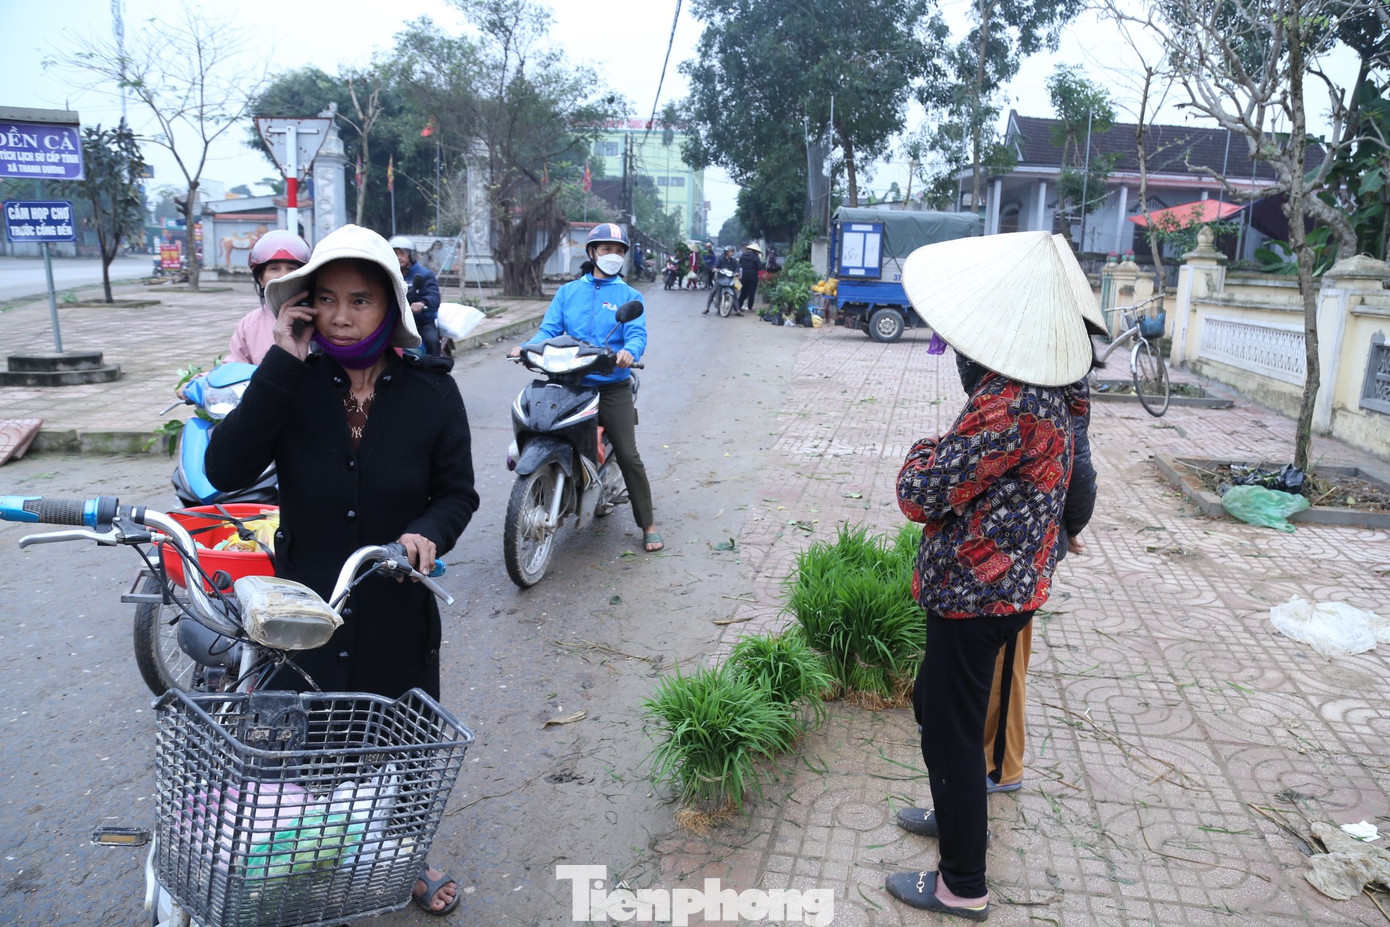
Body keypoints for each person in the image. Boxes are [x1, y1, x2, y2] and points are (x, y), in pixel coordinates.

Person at [205, 224, 479, 917]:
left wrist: (426, 532)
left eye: (360, 299)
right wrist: (281, 359)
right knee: (320, 747)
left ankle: (406, 855)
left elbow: (458, 491)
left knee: (405, 743)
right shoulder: (292, 382)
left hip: (396, 602)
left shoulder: (431, 392)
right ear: (305, 306)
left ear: (390, 305)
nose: (341, 315)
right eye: (325, 299)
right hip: (309, 609)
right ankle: (322, 852)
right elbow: (223, 468)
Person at [886, 231, 1095, 921]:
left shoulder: (1013, 403)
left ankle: (962, 883)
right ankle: (956, 808)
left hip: (980, 593)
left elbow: (920, 490)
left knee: (948, 724)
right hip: (1009, 583)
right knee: (939, 710)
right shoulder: (1057, 389)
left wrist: (926, 449)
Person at [509, 223, 662, 553]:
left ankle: (647, 523)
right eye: (607, 249)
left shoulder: (629, 296)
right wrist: (525, 348)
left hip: (610, 387)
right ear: (592, 252)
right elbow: (548, 330)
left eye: (619, 251)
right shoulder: (568, 292)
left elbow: (637, 334)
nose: (614, 256)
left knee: (628, 454)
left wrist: (628, 352)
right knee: (536, 425)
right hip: (568, 381)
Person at [229, 230, 311, 364]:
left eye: (291, 268)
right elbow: (234, 369)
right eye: (274, 268)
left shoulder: (321, 317)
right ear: (260, 279)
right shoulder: (249, 325)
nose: (283, 275)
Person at [389, 234, 443, 356]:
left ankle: (435, 372)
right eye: (394, 254)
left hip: (421, 322)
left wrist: (422, 303)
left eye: (402, 253)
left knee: (432, 341)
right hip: (398, 322)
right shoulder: (389, 276)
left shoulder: (424, 274)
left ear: (411, 255)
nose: (398, 257)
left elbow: (434, 296)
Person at [703, 246, 739, 315]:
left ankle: (737, 310)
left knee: (734, 293)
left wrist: (737, 273)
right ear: (726, 253)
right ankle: (707, 308)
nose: (731, 253)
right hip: (721, 278)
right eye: (730, 252)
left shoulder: (734, 261)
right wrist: (715, 269)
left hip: (730, 279)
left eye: (732, 252)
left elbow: (736, 268)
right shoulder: (720, 259)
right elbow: (715, 266)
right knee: (713, 292)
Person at [737, 243, 763, 314]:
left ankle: (739, 306)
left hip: (744, 276)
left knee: (743, 292)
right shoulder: (756, 257)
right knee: (752, 293)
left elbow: (740, 265)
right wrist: (761, 277)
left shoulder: (743, 255)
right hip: (753, 277)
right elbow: (759, 268)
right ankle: (749, 308)